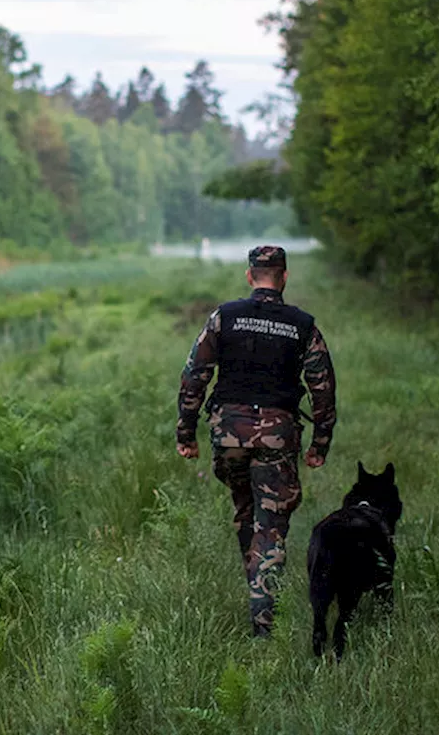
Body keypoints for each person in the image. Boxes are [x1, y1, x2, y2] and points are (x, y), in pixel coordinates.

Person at [176, 245, 337, 637]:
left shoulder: (224, 317)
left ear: (250, 276)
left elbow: (194, 374)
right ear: (284, 276)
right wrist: (320, 444)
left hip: (228, 436)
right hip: (277, 439)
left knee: (245, 509)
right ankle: (264, 622)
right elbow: (323, 388)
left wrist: (186, 431)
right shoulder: (302, 326)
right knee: (270, 526)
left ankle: (256, 585)